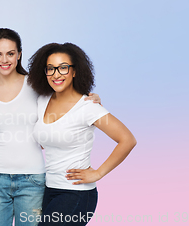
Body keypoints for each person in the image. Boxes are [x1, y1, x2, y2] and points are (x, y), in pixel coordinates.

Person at [0, 29, 102, 226]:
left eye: (10, 53)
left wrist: (91, 97)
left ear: (19, 54)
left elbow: (65, 96)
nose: (5, 59)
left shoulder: (36, 86)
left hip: (32, 180)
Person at [28, 43, 137, 225]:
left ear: (75, 71)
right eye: (50, 68)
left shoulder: (87, 107)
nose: (56, 74)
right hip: (49, 189)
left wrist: (98, 173)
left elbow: (127, 139)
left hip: (76, 193)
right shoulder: (42, 100)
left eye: (63, 67)